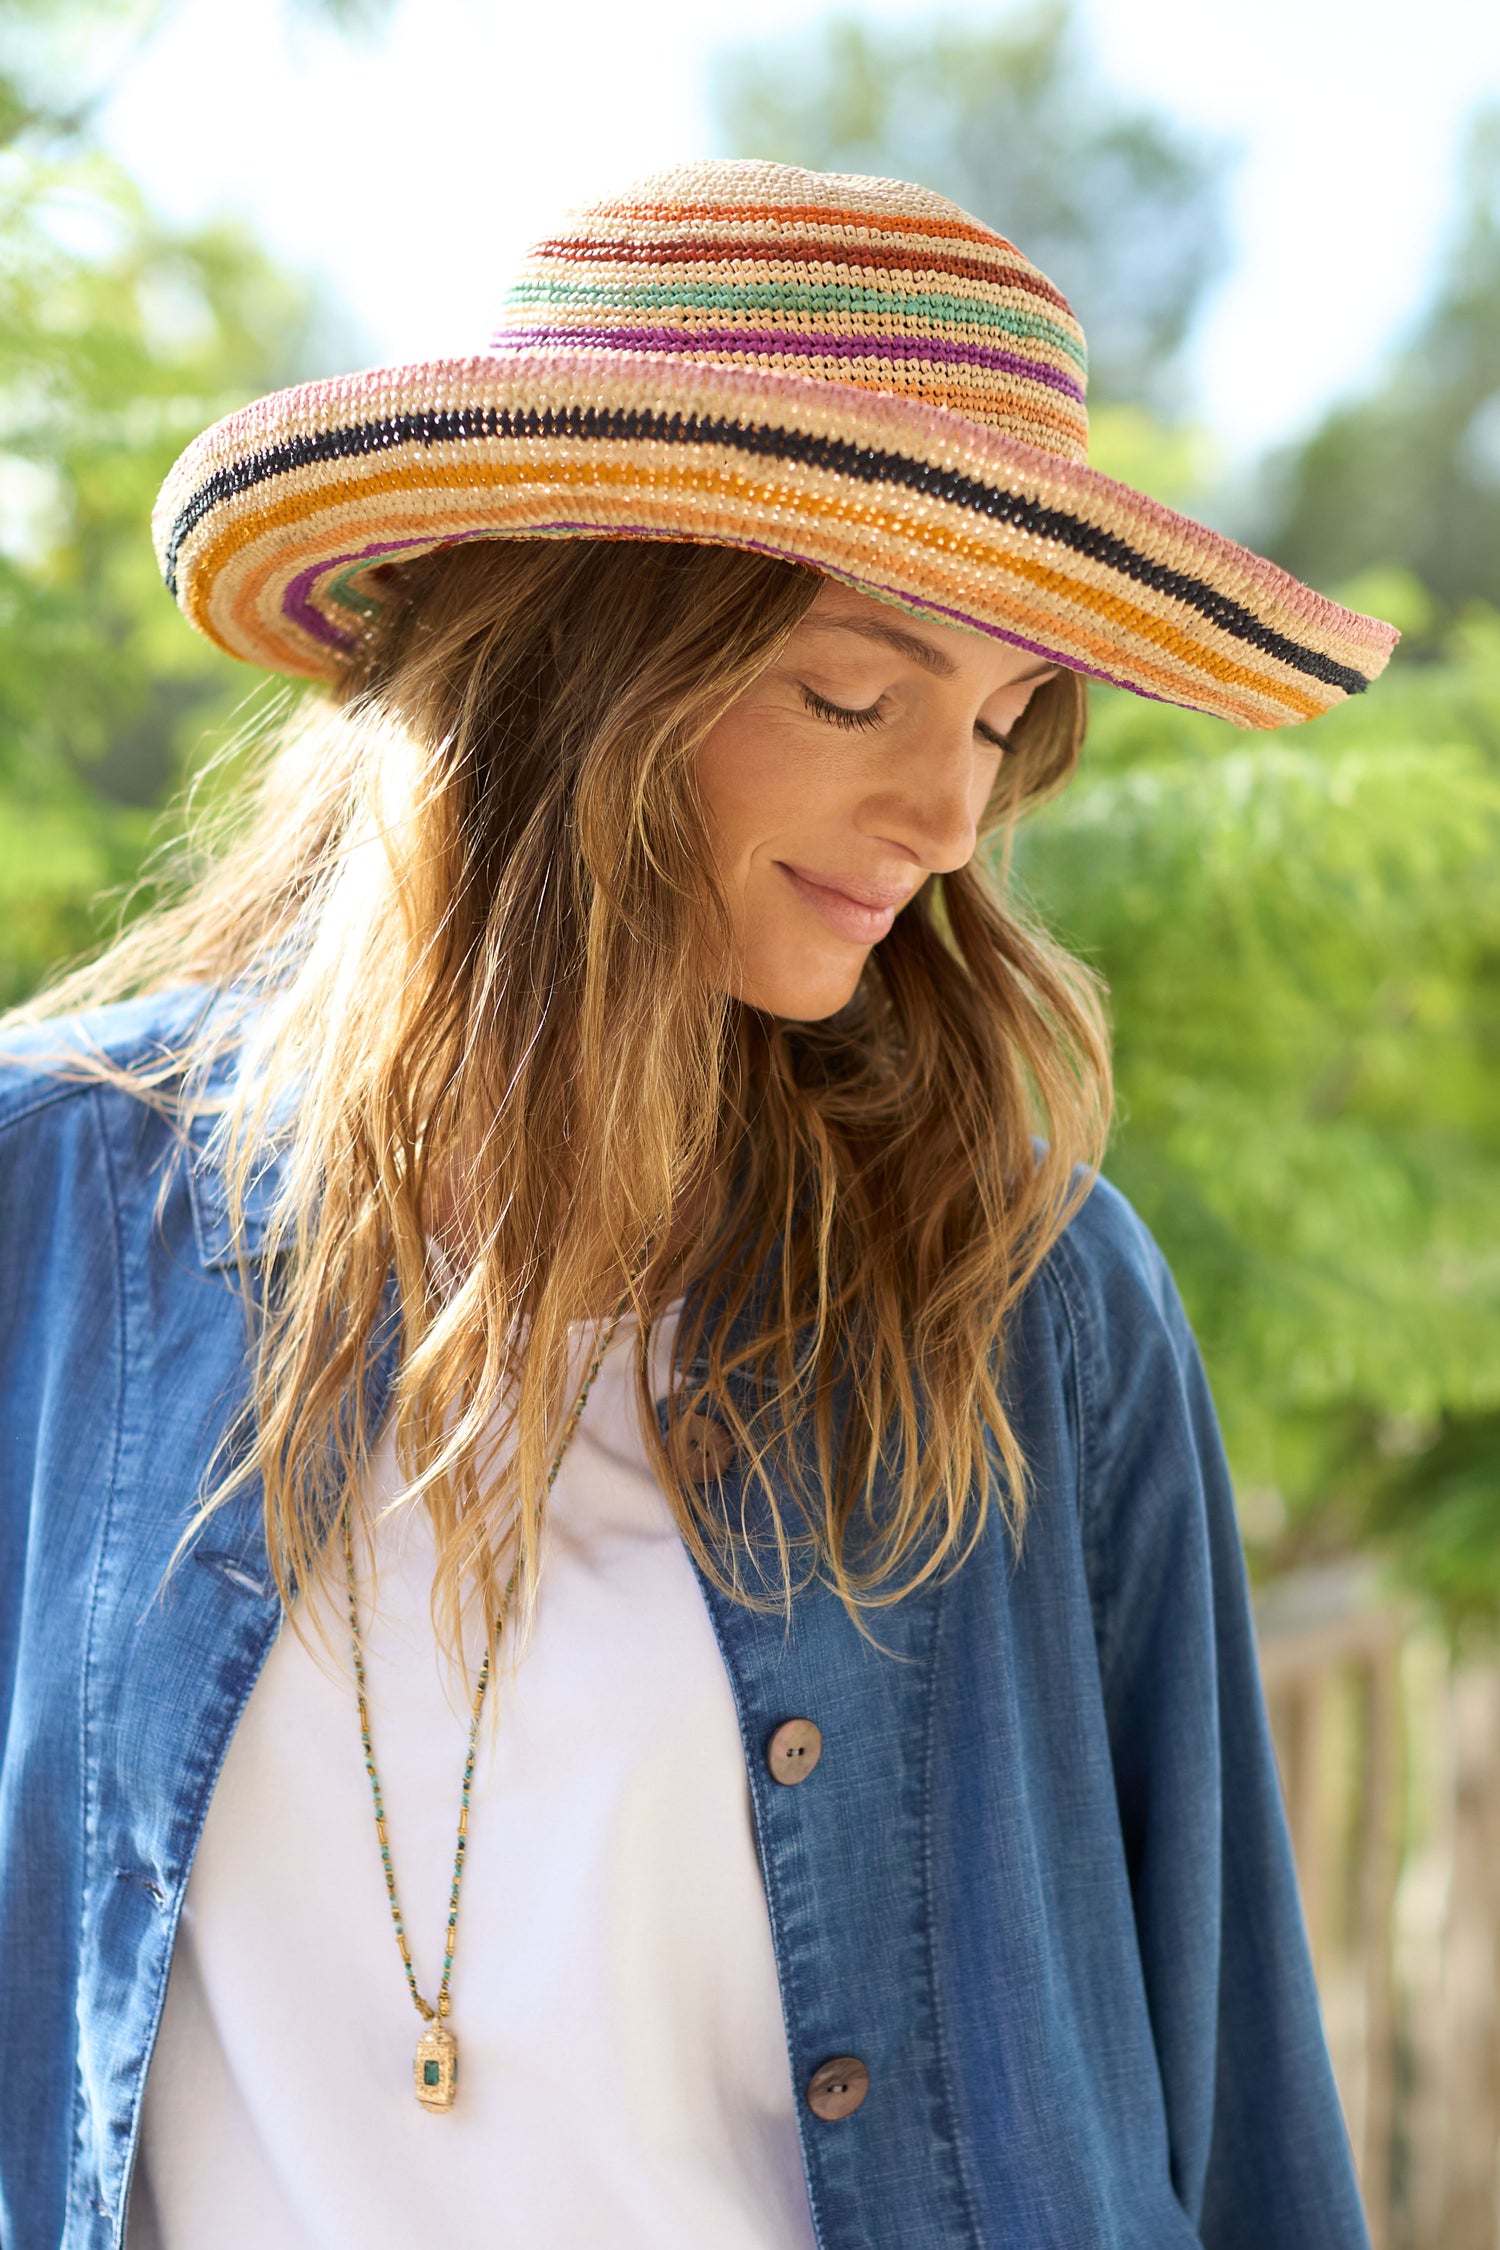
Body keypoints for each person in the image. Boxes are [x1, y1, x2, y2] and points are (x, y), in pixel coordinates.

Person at [0, 159, 1396, 2250]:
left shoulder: (1031, 1305)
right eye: (859, 690)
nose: (947, 813)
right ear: (572, 657)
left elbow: (1238, 2093)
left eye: (1008, 722)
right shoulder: (57, 1211)